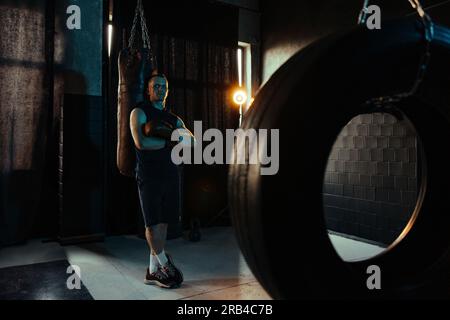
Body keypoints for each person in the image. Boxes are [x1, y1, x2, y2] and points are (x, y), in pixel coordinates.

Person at [130, 72, 195, 289]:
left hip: (170, 173)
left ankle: (152, 270)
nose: (159, 89)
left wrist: (171, 136)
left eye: (163, 86)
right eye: (155, 86)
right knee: (152, 222)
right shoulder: (139, 112)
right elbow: (141, 143)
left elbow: (192, 141)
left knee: (164, 222)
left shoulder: (174, 119)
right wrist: (172, 140)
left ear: (167, 91)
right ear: (148, 90)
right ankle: (165, 264)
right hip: (149, 174)